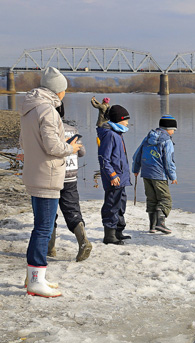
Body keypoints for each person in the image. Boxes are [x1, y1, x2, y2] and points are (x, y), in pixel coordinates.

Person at [19, 66, 81, 297]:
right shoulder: (48, 111)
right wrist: (71, 147)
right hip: (48, 175)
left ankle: (34, 276)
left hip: (35, 172)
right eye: (64, 89)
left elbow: (24, 142)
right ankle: (36, 281)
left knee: (40, 227)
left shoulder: (29, 108)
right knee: (43, 229)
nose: (65, 93)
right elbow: (53, 147)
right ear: (58, 91)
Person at [47, 117, 92, 262]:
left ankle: (50, 248)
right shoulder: (73, 130)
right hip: (71, 177)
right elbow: (82, 152)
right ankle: (83, 240)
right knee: (72, 210)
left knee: (49, 212)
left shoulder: (49, 129)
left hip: (53, 176)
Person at [132, 114, 178, 234]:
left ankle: (152, 226)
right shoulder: (167, 141)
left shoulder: (147, 138)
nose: (173, 132)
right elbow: (168, 160)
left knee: (151, 199)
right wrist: (172, 176)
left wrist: (136, 169)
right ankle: (160, 224)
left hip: (146, 173)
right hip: (159, 174)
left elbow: (137, 154)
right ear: (168, 129)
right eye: (174, 129)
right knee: (165, 199)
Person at [97, 104, 132, 245]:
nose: (128, 123)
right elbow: (104, 158)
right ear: (119, 120)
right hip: (114, 179)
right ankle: (109, 235)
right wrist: (111, 174)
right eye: (126, 120)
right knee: (112, 205)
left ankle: (118, 231)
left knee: (120, 204)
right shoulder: (110, 135)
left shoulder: (118, 134)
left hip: (121, 178)